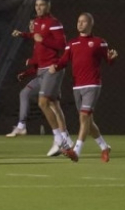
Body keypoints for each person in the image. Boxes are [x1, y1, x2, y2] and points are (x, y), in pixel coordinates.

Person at [49, 13, 117, 163]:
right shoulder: (72, 43)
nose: (80, 24)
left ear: (90, 24)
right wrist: (55, 66)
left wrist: (112, 58)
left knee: (84, 117)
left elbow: (108, 60)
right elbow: (64, 60)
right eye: (78, 21)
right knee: (88, 122)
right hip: (77, 86)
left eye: (83, 21)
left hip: (92, 84)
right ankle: (104, 147)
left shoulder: (99, 42)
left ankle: (76, 151)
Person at [11, 0, 70, 156]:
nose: (38, 7)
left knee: (43, 102)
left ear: (48, 6)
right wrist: (23, 34)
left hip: (52, 68)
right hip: (41, 71)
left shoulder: (54, 23)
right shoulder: (37, 22)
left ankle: (58, 139)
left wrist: (43, 40)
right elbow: (35, 36)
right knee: (51, 103)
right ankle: (65, 138)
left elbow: (62, 44)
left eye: (41, 5)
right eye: (36, 5)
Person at [5, 57, 39, 137]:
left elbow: (45, 60)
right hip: (42, 76)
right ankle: (21, 126)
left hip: (49, 76)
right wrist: (25, 74)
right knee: (24, 94)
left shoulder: (44, 48)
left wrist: (32, 61)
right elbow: (38, 68)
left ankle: (61, 133)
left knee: (51, 103)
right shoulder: (37, 48)